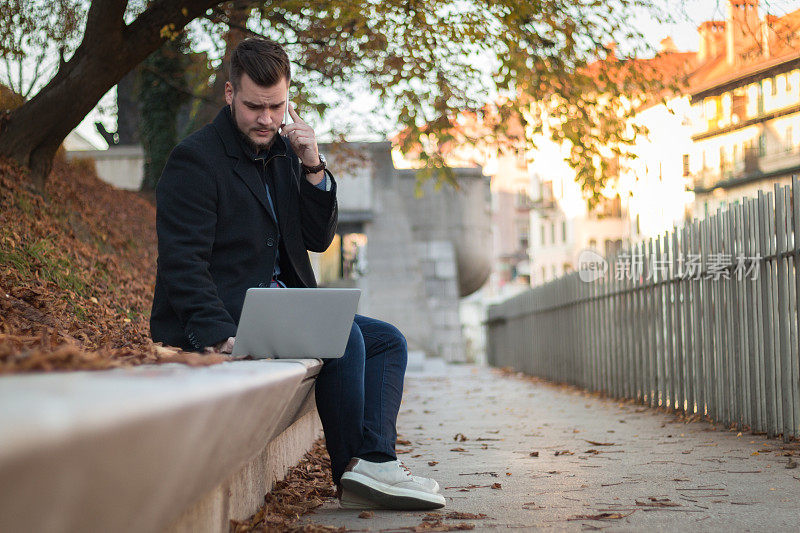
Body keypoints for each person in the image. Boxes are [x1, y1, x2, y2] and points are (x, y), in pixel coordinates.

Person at [149, 37, 445, 511]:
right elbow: (182, 263)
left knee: (388, 339)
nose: (266, 119)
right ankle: (352, 471)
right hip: (230, 319)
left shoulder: (287, 154)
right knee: (343, 336)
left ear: (289, 100)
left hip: (278, 312)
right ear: (230, 94)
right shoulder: (195, 160)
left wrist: (313, 167)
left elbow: (318, 238)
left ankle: (375, 461)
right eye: (253, 107)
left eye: (277, 106)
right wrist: (218, 335)